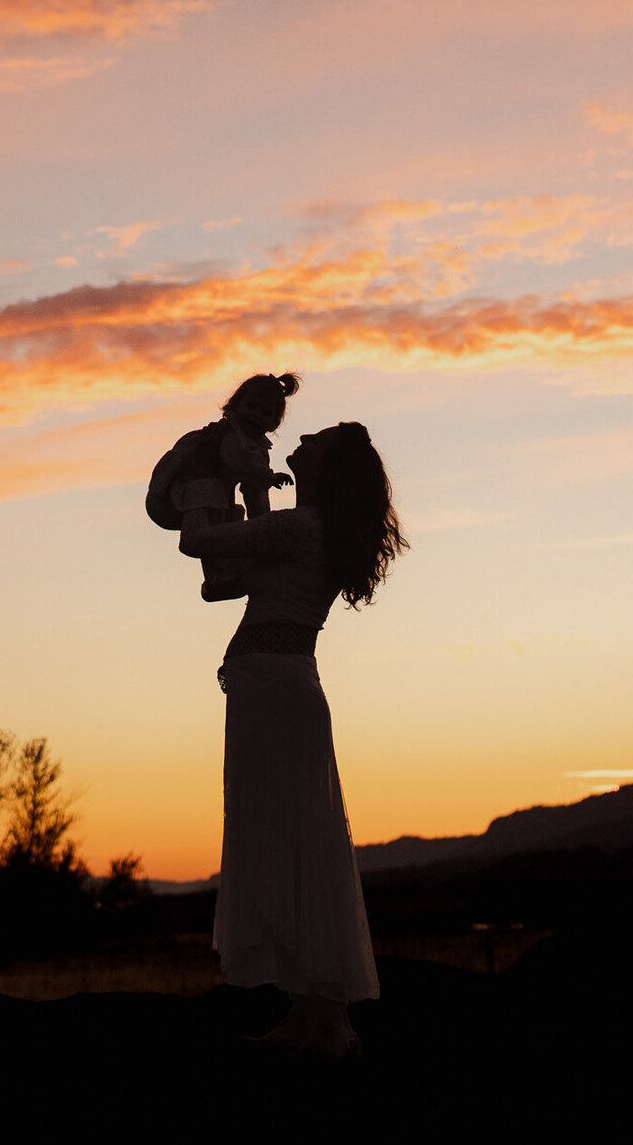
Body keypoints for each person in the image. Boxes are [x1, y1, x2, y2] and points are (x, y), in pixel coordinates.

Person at [179, 420, 408, 1059]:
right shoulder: (309, 529)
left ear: (327, 467)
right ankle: (310, 1015)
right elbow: (236, 576)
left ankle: (324, 1023)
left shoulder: (299, 528)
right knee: (296, 840)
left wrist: (200, 475)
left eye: (317, 439)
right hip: (278, 690)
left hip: (274, 694)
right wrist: (253, 490)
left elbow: (198, 543)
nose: (301, 438)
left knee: (289, 839)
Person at [169, 372, 299, 601]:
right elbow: (240, 464)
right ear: (235, 405)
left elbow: (255, 493)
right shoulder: (232, 437)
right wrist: (269, 478)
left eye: (266, 412)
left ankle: (225, 573)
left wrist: (262, 525)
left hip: (209, 492)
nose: (257, 414)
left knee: (229, 516)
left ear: (273, 423)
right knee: (216, 520)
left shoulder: (255, 447)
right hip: (177, 490)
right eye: (252, 406)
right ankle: (216, 577)